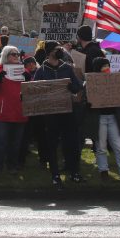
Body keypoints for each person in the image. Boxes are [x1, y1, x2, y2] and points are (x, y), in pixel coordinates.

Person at [32, 46, 84, 185]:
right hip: (51, 115)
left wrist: (70, 87)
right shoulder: (41, 71)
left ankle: (74, 172)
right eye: (55, 49)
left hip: (68, 112)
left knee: (71, 143)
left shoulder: (67, 68)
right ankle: (55, 174)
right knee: (52, 145)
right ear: (49, 53)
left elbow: (78, 87)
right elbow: (33, 90)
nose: (59, 51)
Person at [0, 45, 28, 176]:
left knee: (16, 143)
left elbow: (33, 89)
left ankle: (12, 166)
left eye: (17, 54)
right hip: (3, 113)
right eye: (13, 54)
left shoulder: (23, 70)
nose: (16, 56)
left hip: (19, 111)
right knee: (1, 141)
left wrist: (29, 78)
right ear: (6, 56)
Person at [87, 56, 120, 183]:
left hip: (113, 118)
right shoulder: (90, 82)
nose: (107, 69)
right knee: (101, 147)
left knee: (119, 146)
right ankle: (103, 170)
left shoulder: (114, 80)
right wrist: (88, 103)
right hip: (99, 118)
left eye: (108, 66)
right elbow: (85, 98)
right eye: (103, 66)